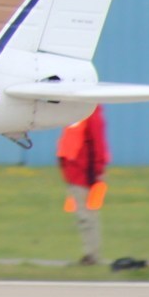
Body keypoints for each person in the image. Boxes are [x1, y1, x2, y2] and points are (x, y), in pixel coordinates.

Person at [57, 106, 109, 266]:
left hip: (85, 175)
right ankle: (90, 254)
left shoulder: (90, 113)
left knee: (87, 216)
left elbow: (97, 143)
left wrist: (97, 172)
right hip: (75, 174)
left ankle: (92, 256)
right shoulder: (77, 113)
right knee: (84, 216)